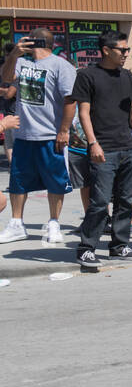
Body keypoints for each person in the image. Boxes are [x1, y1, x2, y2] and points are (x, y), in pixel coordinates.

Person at [72, 30, 132, 269]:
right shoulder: (87, 76)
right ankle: (86, 248)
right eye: (122, 50)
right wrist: (93, 142)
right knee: (100, 201)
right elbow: (83, 113)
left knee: (126, 201)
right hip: (103, 148)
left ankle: (119, 246)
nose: (126, 54)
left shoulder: (128, 77)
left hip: (127, 146)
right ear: (106, 50)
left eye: (127, 50)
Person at [0, 27, 78, 245]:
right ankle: (16, 224)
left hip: (50, 136)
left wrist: (63, 131)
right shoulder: (22, 63)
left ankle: (54, 223)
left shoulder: (61, 65)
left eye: (27, 40)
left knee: (55, 182)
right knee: (18, 182)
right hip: (23, 135)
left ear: (37, 42)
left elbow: (70, 101)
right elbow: (6, 78)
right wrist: (13, 55)